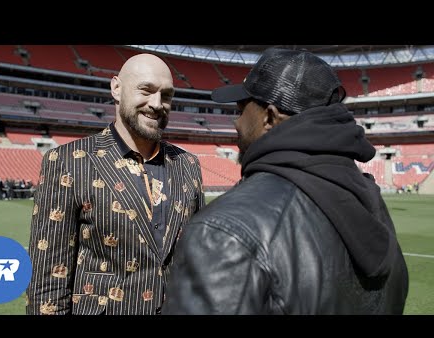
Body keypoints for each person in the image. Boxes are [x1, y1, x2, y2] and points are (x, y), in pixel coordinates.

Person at [162, 48, 409, 315]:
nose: (236, 122)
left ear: (269, 117)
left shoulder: (221, 230)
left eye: (241, 109)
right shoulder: (373, 205)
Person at [26, 53, 205, 315]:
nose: (157, 104)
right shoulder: (68, 161)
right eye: (146, 90)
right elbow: (47, 281)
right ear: (117, 89)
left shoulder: (188, 164)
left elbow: (197, 261)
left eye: (166, 95)